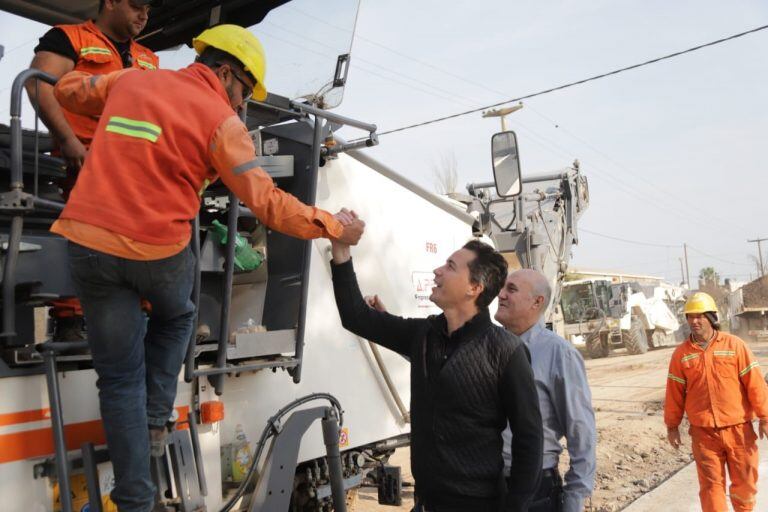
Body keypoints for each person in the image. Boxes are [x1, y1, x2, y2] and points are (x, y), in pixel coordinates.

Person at [52, 24, 365, 511]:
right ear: (223, 73)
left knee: (118, 380)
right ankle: (156, 421)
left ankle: (134, 498)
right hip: (156, 251)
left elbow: (67, 90)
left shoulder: (129, 81)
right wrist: (332, 226)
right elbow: (268, 205)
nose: (241, 106)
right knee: (177, 316)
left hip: (88, 242)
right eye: (242, 93)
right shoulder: (223, 123)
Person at [329, 225, 542, 512]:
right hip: (426, 503)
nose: (438, 271)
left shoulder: (506, 352)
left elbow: (529, 441)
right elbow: (357, 317)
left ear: (474, 288)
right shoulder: (424, 336)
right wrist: (341, 250)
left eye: (451, 267)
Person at [28, 0, 160, 339]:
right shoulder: (67, 38)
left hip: (139, 174)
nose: (144, 14)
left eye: (148, 7)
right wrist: (69, 141)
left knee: (145, 243)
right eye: (136, 5)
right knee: (84, 241)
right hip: (86, 164)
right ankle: (73, 321)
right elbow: (37, 85)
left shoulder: (149, 58)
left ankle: (142, 318)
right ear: (111, 2)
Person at [494, 269, 596, 512]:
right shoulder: (490, 345)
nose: (501, 294)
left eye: (512, 289)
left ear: (537, 302)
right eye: (503, 287)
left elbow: (580, 431)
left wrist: (574, 499)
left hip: (535, 490)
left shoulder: (558, 354)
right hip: (487, 486)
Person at [664, 291, 768, 512]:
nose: (695, 321)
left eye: (700, 316)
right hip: (704, 435)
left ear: (711, 317)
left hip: (739, 430)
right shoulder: (681, 355)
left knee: (745, 485)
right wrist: (672, 426)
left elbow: (756, 385)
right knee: (711, 488)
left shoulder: (735, 346)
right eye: (690, 317)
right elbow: (674, 393)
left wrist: (765, 417)